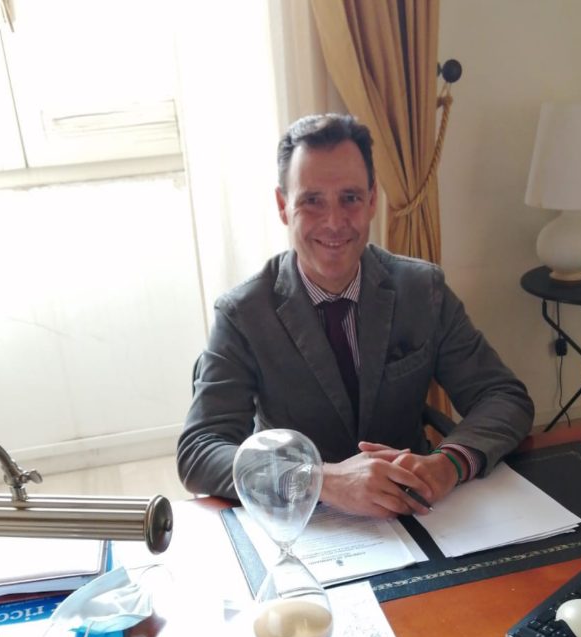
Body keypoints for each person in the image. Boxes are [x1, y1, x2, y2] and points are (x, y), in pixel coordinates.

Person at [177, 113, 534, 518]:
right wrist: (320, 480)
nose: (334, 222)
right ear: (283, 206)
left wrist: (448, 463)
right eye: (312, 201)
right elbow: (199, 451)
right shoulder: (243, 314)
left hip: (415, 510)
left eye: (349, 198)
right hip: (307, 524)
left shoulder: (422, 290)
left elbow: (503, 396)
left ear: (372, 201)